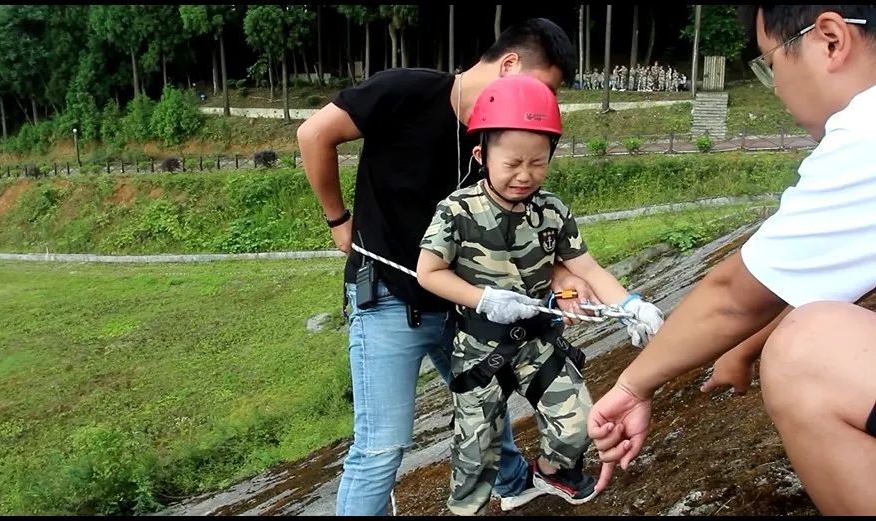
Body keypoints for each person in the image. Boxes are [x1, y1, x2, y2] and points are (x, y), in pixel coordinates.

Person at [297, 18, 596, 516]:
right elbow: (313, 135)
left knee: (483, 396)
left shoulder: (501, 142)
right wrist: (338, 220)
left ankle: (515, 481)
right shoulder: (405, 91)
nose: (541, 107)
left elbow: (523, 227)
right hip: (389, 299)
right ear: (508, 65)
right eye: (540, 89)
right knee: (381, 448)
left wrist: (562, 273)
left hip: (464, 301)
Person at [587, 5, 876, 515]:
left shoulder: (866, 132)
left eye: (769, 64)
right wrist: (742, 350)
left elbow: (734, 297)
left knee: (806, 352)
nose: (775, 87)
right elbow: (825, 283)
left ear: (830, 40)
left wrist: (631, 385)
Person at [416, 74, 666, 515]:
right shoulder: (457, 210)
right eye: (512, 163)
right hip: (479, 346)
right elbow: (428, 272)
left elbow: (584, 266)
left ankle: (550, 471)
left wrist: (631, 305)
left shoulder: (551, 211)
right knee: (476, 456)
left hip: (536, 340)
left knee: (579, 424)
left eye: (537, 163)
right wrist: (484, 299)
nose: (524, 176)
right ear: (481, 154)